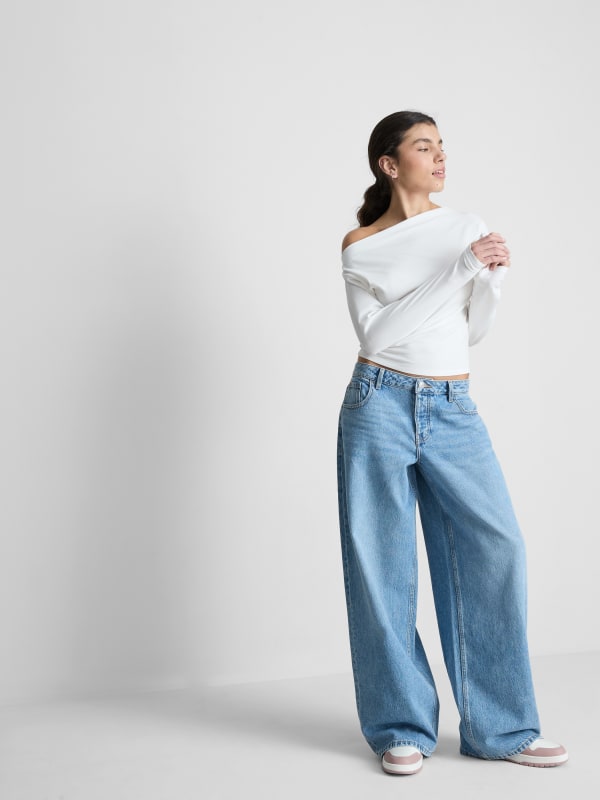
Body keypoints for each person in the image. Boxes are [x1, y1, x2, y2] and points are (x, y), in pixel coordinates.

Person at [337, 110, 568, 775]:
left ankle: (500, 728)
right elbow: (379, 337)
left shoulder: (463, 224)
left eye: (442, 147)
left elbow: (470, 331)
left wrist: (487, 279)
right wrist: (459, 270)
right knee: (382, 567)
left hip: (452, 405)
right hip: (377, 402)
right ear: (389, 163)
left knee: (497, 547)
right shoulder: (362, 243)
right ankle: (399, 727)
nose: (439, 157)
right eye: (424, 147)